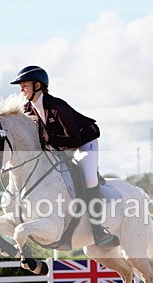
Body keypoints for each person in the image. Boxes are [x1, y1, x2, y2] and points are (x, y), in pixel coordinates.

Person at [10, 65, 119, 247]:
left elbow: (74, 139)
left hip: (84, 142)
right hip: (60, 146)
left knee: (89, 177)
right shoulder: (28, 109)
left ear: (38, 85)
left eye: (24, 85)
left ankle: (98, 229)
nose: (21, 89)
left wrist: (49, 138)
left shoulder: (57, 106)